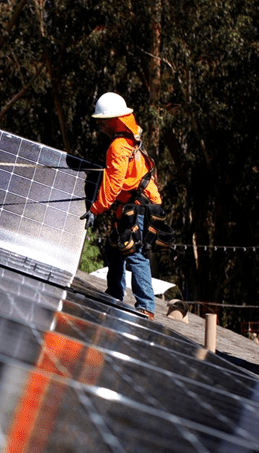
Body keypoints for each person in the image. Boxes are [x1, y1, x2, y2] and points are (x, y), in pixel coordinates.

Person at [83, 92, 162, 320]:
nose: (101, 127)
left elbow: (113, 185)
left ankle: (146, 307)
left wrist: (95, 209)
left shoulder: (118, 147)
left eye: (102, 122)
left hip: (137, 206)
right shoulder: (132, 137)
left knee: (134, 252)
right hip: (137, 203)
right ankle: (114, 294)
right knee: (116, 248)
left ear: (114, 120)